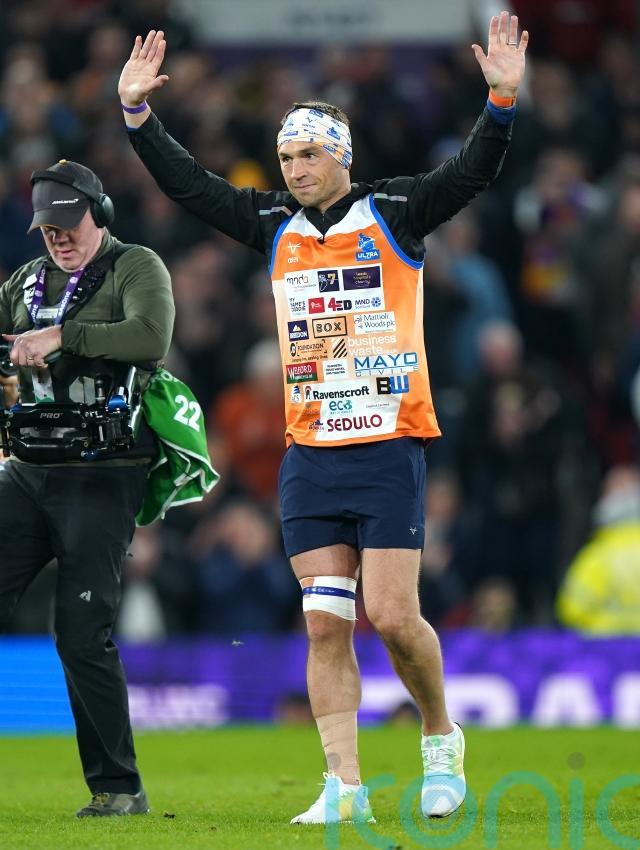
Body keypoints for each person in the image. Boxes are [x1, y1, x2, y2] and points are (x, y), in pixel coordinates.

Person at [118, 11, 528, 824]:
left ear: (341, 156)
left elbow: (470, 173)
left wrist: (502, 103)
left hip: (387, 447)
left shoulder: (396, 212)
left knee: (394, 617)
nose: (296, 169)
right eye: (287, 157)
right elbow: (191, 186)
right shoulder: (273, 226)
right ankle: (344, 786)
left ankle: (439, 737)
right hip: (310, 454)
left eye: (309, 154)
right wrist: (137, 115)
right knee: (323, 624)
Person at [0, 159, 175, 816]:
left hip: (104, 470)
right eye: (47, 227)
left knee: (80, 630)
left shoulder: (135, 267)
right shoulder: (23, 282)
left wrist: (61, 335)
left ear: (99, 213)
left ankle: (118, 788)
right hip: (27, 469)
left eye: (68, 223)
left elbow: (151, 336)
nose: (58, 237)